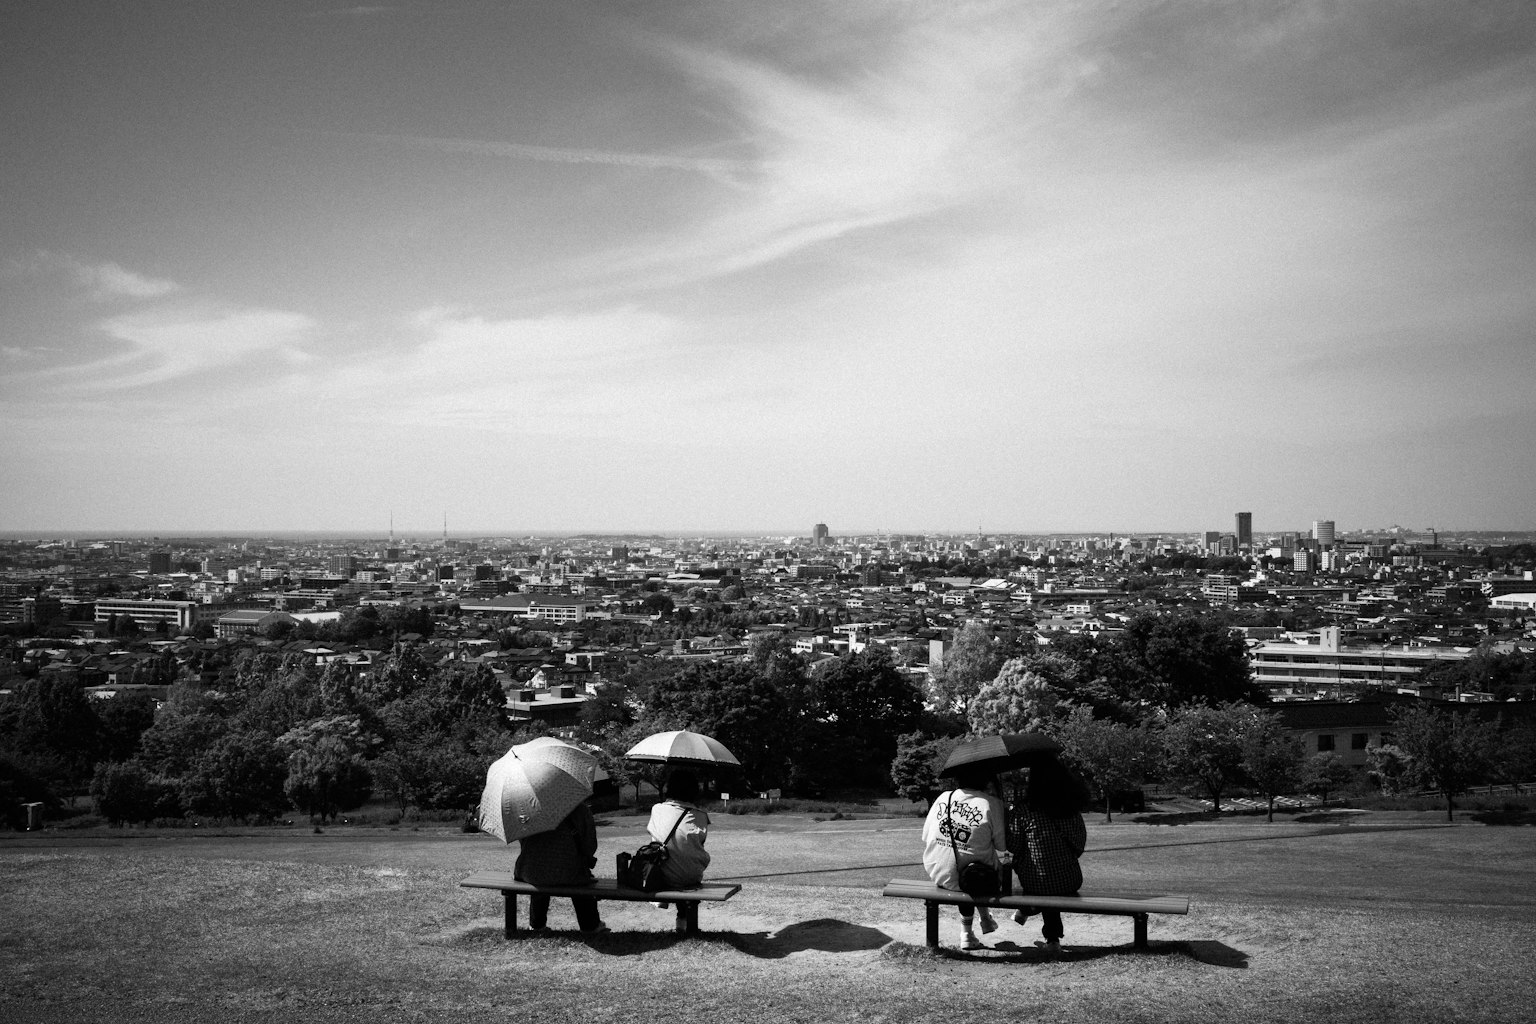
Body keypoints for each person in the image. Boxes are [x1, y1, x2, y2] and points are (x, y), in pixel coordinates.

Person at [1008, 756, 1089, 954]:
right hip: (1070, 879)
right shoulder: (1071, 809)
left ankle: (1029, 910)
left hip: (1035, 881)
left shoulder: (1024, 810)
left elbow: (1014, 846)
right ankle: (1051, 938)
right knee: (1050, 882)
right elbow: (1079, 846)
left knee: (1042, 883)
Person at [922, 766, 1006, 950]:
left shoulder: (944, 797)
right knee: (980, 866)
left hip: (939, 872)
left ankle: (972, 929)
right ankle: (979, 922)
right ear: (986, 780)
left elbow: (925, 835)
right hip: (977, 879)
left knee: (968, 867)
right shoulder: (991, 803)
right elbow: (1002, 845)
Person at [513, 800, 608, 934]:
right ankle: (590, 926)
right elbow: (590, 846)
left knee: (541, 870)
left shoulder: (527, 808)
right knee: (578, 874)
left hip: (530, 872)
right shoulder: (579, 809)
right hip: (569, 872)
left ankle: (537, 924)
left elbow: (523, 841)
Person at [646, 769, 710, 894]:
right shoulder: (701, 816)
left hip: (662, 876)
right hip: (693, 876)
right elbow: (699, 843)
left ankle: (666, 903)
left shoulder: (657, 809)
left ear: (669, 788)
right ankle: (683, 907)